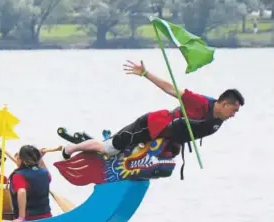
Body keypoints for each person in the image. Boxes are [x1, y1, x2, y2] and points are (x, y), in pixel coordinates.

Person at [62, 60, 245, 161]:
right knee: (108, 148)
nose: (233, 115)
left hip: (163, 138)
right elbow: (171, 89)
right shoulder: (200, 102)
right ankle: (72, 148)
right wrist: (145, 74)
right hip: (150, 126)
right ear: (223, 103)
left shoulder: (217, 121)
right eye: (233, 110)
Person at [0, 145, 52, 222]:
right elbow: (45, 175)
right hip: (47, 219)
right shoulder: (45, 173)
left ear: (20, 159)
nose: (16, 157)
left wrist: (21, 218)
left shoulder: (18, 176)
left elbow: (22, 192)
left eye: (17, 155)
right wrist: (39, 159)